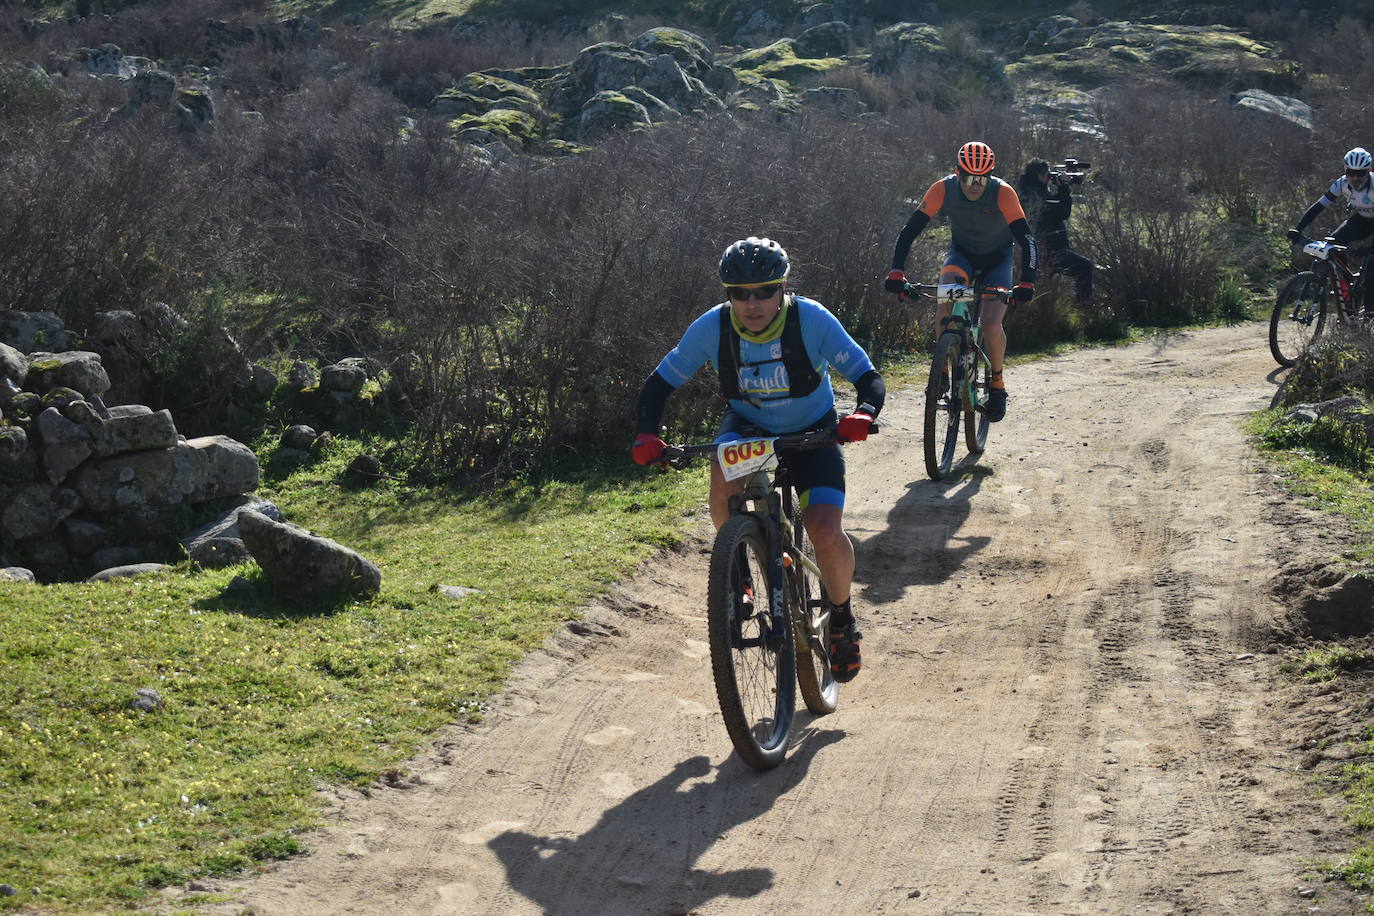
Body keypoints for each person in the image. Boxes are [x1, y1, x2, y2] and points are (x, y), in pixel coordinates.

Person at [631, 237, 885, 683]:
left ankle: (843, 618)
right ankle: (738, 574)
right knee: (722, 477)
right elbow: (658, 385)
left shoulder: (812, 319)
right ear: (727, 294)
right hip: (748, 428)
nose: (752, 304)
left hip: (813, 430)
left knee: (823, 528)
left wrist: (863, 413)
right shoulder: (712, 328)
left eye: (764, 291)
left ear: (783, 287)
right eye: (739, 293)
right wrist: (647, 435)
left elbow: (867, 376)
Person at [884, 141, 1037, 423]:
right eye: (968, 177)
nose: (975, 185)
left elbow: (1027, 239)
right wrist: (896, 271)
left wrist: (1027, 282)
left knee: (991, 322)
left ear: (989, 176)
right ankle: (942, 370)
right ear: (957, 173)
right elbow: (909, 232)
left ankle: (998, 385)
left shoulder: (1003, 193)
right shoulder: (943, 189)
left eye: (982, 178)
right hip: (962, 255)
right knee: (947, 299)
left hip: (997, 261)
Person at [1289, 147, 1374, 312]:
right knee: (1333, 245)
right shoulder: (1341, 183)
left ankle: (1369, 315)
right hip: (1362, 220)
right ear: (1345, 170)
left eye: (1361, 173)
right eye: (1351, 173)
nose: (1355, 178)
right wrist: (1298, 229)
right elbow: (1318, 207)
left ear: (1369, 170)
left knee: (1372, 269)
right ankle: (1348, 293)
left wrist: (1369, 250)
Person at [1016, 158, 1093, 303]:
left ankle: (1037, 312)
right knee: (1084, 267)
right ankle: (1085, 310)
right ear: (1039, 176)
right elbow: (1063, 211)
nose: (1048, 178)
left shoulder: (1027, 191)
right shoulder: (1037, 195)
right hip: (1050, 251)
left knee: (1041, 287)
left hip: (1035, 251)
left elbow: (1054, 210)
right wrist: (1063, 187)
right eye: (1047, 175)